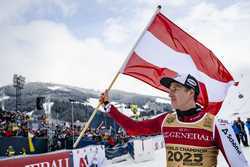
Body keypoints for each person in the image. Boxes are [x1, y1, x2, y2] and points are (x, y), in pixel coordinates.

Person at [99, 73, 249, 167]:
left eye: (175, 89)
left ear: (191, 92)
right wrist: (108, 106)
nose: (170, 94)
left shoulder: (216, 125)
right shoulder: (167, 120)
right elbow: (134, 128)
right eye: (169, 90)